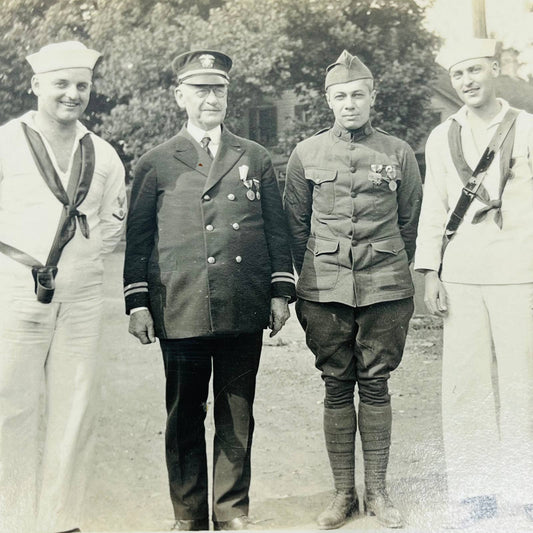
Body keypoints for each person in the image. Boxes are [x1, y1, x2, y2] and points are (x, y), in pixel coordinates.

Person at [124, 49, 296, 531]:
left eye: (218, 89)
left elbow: (276, 229)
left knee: (237, 413)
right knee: (183, 415)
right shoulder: (156, 162)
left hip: (241, 301)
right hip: (181, 305)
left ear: (227, 95)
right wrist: (138, 301)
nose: (210, 99)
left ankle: (232, 510)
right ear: (180, 96)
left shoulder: (254, 155)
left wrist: (280, 290)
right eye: (200, 90)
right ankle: (188, 514)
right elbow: (137, 240)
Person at [284, 50, 422, 530]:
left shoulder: (399, 151)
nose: (350, 103)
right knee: (337, 385)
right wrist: (319, 268)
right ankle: (344, 493)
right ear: (328, 100)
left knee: (377, 384)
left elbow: (409, 223)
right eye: (340, 96)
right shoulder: (306, 153)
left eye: (358, 94)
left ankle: (378, 492)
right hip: (325, 289)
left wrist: (385, 260)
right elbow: (296, 226)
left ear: (372, 97)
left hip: (385, 285)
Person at [0, 41, 126, 533]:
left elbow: (112, 222)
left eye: (81, 86)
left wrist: (80, 264)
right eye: (61, 84)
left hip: (81, 292)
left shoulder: (103, 152)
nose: (72, 95)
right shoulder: (7, 142)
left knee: (76, 404)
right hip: (14, 288)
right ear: (35, 86)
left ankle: (60, 519)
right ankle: (10, 518)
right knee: (10, 403)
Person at [415, 38, 533, 528]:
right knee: (465, 385)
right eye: (458, 73)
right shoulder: (442, 136)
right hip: (462, 272)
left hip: (518, 272)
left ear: (494, 71)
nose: (467, 81)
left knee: (522, 383)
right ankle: (474, 490)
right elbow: (434, 206)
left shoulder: (526, 128)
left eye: (475, 70)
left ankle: (523, 490)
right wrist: (430, 272)